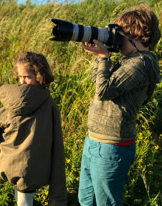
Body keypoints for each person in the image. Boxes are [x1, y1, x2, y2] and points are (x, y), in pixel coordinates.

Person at [78, 8, 161, 206]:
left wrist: (104, 59)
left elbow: (103, 91)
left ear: (135, 35)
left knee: (106, 203)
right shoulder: (128, 60)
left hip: (110, 147)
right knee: (86, 199)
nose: (116, 39)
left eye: (120, 35)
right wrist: (101, 57)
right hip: (94, 141)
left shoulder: (140, 64)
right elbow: (97, 80)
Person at [0, 51, 67, 206]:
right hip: (33, 168)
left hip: (8, 163)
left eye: (27, 77)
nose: (22, 81)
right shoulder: (48, 103)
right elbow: (56, 141)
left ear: (39, 76)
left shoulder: (10, 101)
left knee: (21, 200)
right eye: (20, 77)